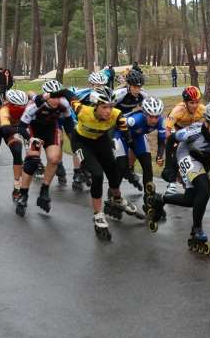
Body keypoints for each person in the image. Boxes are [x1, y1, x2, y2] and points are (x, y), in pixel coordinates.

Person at [146, 102, 210, 255]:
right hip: (186, 154)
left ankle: (160, 199)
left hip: (204, 160)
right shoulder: (192, 132)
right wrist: (169, 167)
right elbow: (170, 140)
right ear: (207, 123)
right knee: (205, 187)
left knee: (191, 200)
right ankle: (197, 229)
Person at [70, 87, 143, 241]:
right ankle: (98, 214)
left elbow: (126, 135)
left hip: (101, 140)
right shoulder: (83, 111)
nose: (109, 111)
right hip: (81, 142)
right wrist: (50, 95)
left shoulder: (117, 115)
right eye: (104, 107)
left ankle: (117, 199)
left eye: (111, 106)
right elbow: (68, 94)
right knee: (97, 174)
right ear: (95, 106)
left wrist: (131, 154)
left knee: (115, 172)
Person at [14, 80, 74, 216]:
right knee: (33, 161)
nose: (56, 100)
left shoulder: (64, 104)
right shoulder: (34, 106)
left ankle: (45, 189)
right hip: (33, 129)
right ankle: (23, 194)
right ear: (46, 96)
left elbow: (69, 125)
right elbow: (21, 127)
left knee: (54, 159)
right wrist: (31, 138)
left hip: (50, 129)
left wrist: (76, 142)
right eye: (53, 97)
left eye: (58, 97)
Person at [113, 96, 166, 215]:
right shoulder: (135, 120)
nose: (154, 120)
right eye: (151, 116)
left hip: (138, 137)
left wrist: (159, 155)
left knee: (148, 166)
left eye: (157, 116)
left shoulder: (161, 121)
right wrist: (129, 141)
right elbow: (118, 126)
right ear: (145, 114)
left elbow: (162, 140)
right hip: (121, 135)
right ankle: (115, 195)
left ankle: (148, 199)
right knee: (122, 167)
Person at [163, 86, 206, 196]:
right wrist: (171, 147)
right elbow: (167, 132)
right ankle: (171, 182)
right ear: (185, 102)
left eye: (197, 102)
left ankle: (186, 177)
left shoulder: (202, 109)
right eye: (192, 103)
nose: (195, 105)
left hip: (188, 130)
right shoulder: (178, 110)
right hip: (175, 128)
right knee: (176, 151)